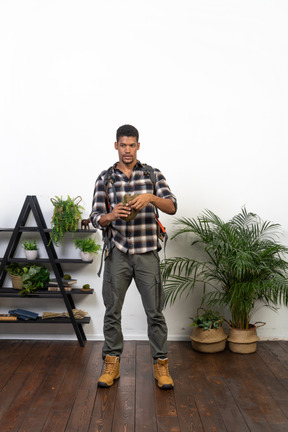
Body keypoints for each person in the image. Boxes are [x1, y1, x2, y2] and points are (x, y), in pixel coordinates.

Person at [90, 124, 177, 390]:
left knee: (155, 313)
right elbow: (95, 218)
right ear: (116, 146)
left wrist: (150, 197)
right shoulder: (105, 179)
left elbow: (172, 206)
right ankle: (111, 363)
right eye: (123, 145)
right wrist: (110, 216)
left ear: (138, 145)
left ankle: (161, 365)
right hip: (117, 253)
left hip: (147, 253)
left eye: (132, 145)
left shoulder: (152, 174)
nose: (127, 150)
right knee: (112, 311)